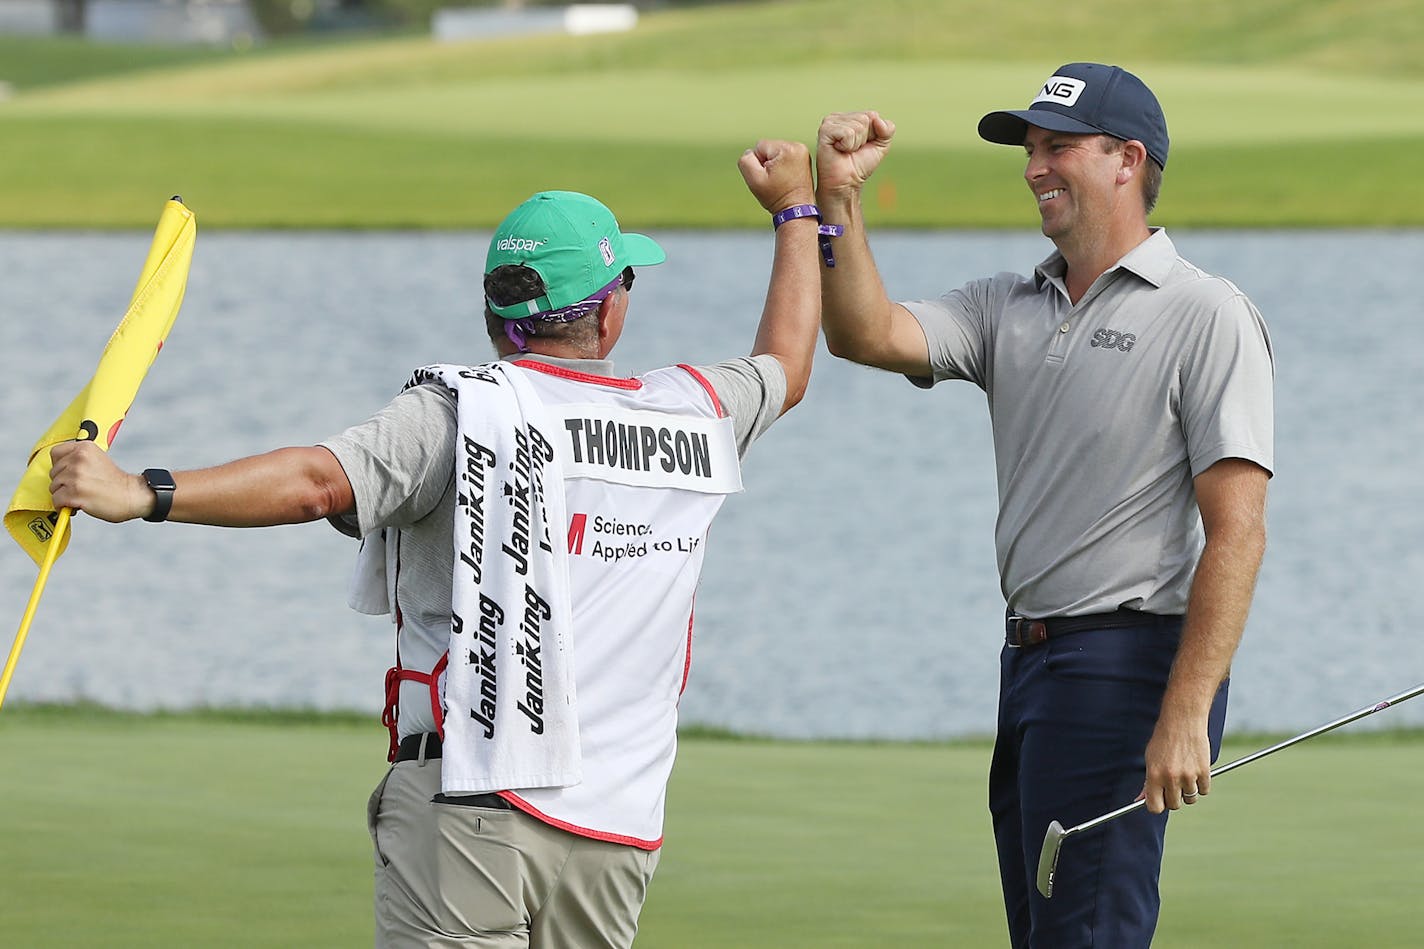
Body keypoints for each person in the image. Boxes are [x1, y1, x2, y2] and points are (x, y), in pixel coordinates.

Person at [47, 139, 822, 948]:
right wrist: (797, 210)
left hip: (470, 804)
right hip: (616, 828)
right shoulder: (693, 412)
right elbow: (788, 367)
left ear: (493, 313)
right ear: (609, 307)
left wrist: (143, 492)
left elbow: (319, 481)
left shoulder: (460, 409)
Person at [813, 63, 1273, 947]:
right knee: (1046, 931)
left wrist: (1186, 712)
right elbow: (863, 333)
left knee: (1088, 932)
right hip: (1029, 662)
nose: (1033, 168)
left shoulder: (1206, 313)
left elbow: (1238, 531)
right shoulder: (1005, 305)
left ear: (1127, 160)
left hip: (1126, 665)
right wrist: (836, 198)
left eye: (1057, 147)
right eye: (1031, 150)